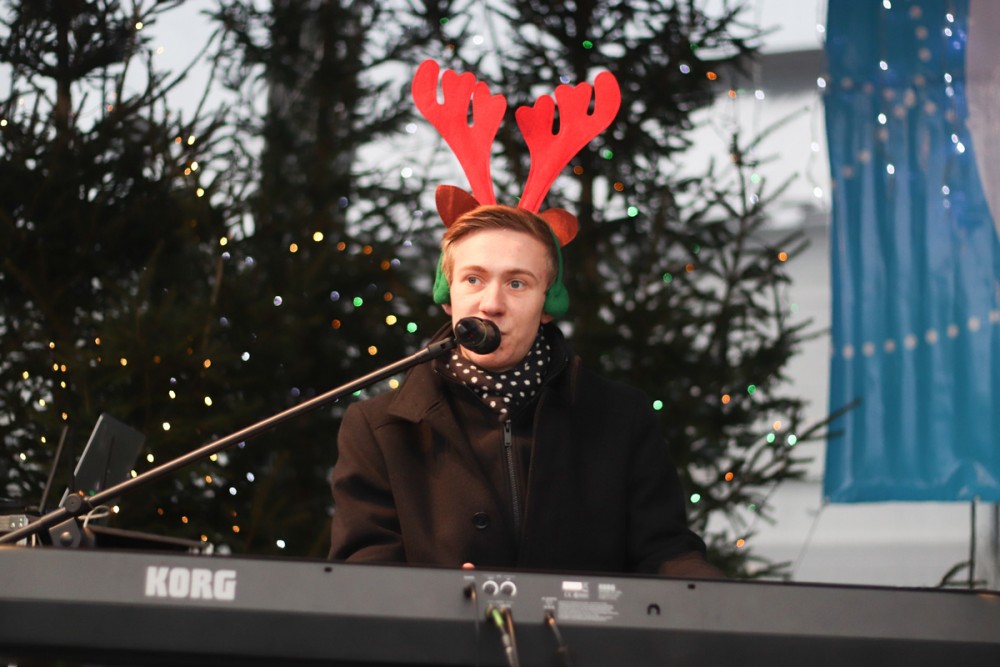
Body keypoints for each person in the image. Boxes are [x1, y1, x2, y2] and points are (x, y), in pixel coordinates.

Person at [328, 204, 721, 578]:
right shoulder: (378, 427)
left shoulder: (622, 418)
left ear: (547, 304)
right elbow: (366, 571)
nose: (491, 304)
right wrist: (439, 600)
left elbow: (665, 552)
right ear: (448, 297)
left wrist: (718, 598)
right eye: (473, 279)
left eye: (517, 283)